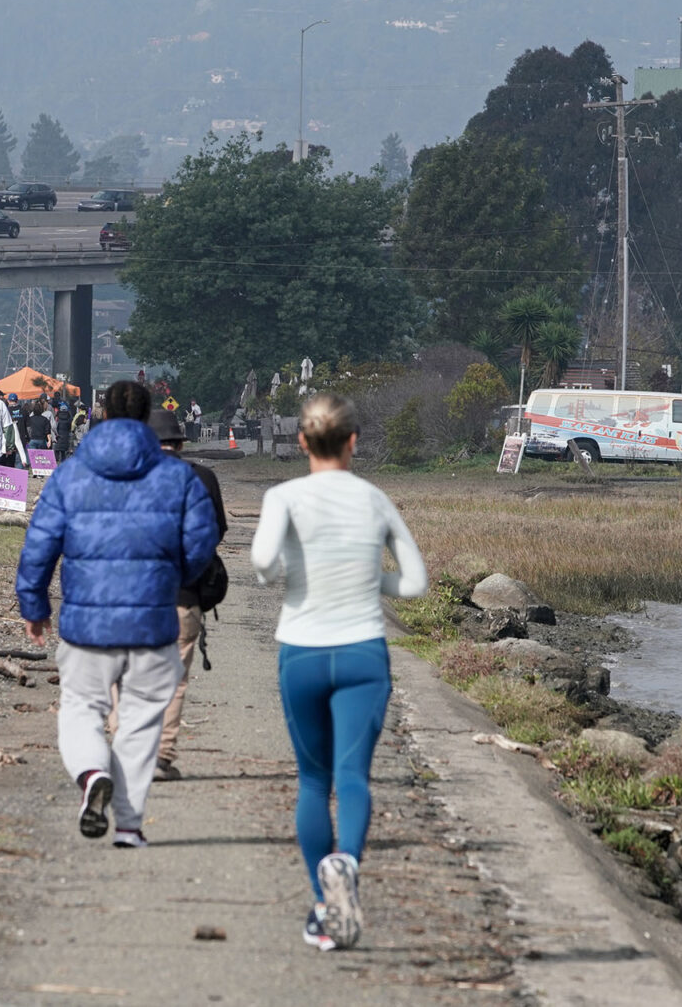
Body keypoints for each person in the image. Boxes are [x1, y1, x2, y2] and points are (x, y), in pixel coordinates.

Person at [252, 392, 427, 952]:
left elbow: (260, 563)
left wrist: (287, 569)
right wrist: (369, 579)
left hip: (301, 651)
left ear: (302, 442)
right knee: (353, 777)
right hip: (362, 655)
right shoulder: (375, 499)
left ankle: (325, 906)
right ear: (354, 441)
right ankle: (346, 863)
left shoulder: (283, 495)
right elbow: (416, 582)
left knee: (311, 780)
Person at [14, 380, 217, 851]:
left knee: (83, 708)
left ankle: (91, 774)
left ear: (101, 413)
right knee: (143, 721)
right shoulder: (178, 476)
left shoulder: (71, 474)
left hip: (87, 625)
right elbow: (202, 543)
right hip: (154, 622)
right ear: (149, 416)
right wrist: (171, 576)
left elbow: (40, 545)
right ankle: (128, 825)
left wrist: (35, 605)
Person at [144, 409, 228, 782]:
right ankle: (160, 757)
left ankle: (122, 747)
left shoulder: (123, 477)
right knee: (173, 679)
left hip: (128, 598)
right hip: (182, 595)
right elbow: (216, 531)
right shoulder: (202, 477)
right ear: (179, 444)